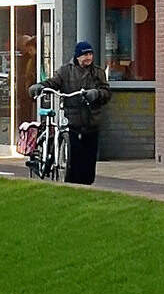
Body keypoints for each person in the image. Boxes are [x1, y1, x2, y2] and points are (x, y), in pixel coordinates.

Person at [42, 40, 113, 186]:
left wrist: (97, 94)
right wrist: (40, 86)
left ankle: (87, 183)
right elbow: (53, 82)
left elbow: (106, 92)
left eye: (90, 54)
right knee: (75, 155)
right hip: (73, 120)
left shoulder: (98, 72)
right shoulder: (65, 71)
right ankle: (72, 182)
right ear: (77, 56)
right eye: (85, 55)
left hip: (92, 119)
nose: (88, 58)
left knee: (89, 156)